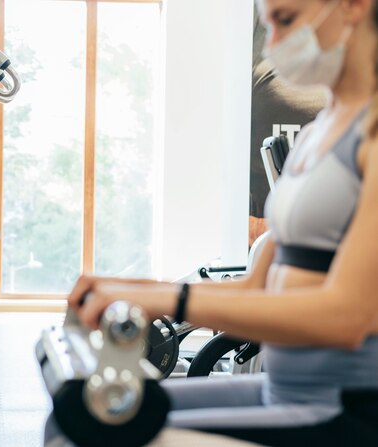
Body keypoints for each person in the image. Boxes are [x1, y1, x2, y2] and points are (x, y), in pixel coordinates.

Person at [56, 0, 378, 445]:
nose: (276, 45)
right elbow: (256, 289)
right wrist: (136, 290)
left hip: (343, 407)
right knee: (77, 415)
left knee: (104, 432)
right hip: (284, 391)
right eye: (270, 27)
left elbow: (347, 317)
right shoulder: (323, 130)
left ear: (353, 7)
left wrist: (172, 298)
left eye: (286, 21)